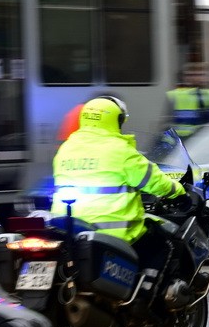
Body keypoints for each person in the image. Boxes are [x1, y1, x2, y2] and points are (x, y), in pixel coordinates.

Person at [51, 95, 188, 295]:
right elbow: (154, 181)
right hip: (114, 232)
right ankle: (144, 295)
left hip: (70, 226)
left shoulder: (66, 149)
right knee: (163, 244)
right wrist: (179, 193)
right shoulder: (120, 150)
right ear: (117, 120)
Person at [166, 62, 209, 137]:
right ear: (185, 77)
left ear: (208, 77)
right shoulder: (174, 95)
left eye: (201, 75)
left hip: (206, 139)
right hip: (181, 140)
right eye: (191, 75)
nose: (196, 78)